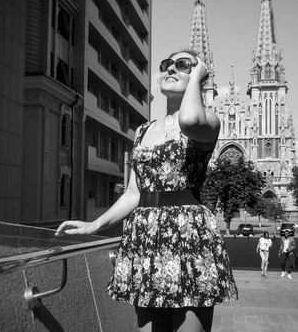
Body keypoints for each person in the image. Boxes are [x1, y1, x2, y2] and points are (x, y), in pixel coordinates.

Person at [55, 49, 238, 332]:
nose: (170, 69)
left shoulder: (209, 121)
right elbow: (133, 193)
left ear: (198, 75)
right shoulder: (143, 131)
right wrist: (95, 225)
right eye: (166, 64)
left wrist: (197, 77)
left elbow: (189, 121)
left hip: (187, 235)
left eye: (182, 65)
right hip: (145, 238)